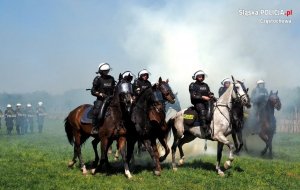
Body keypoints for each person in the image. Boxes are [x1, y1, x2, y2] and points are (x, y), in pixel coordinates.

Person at [91, 62, 116, 134]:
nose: (107, 72)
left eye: (107, 70)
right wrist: (99, 94)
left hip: (111, 99)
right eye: (105, 70)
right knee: (96, 111)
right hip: (101, 100)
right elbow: (93, 91)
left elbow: (114, 88)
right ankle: (95, 127)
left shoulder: (111, 78)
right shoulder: (97, 79)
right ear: (101, 71)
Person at [189, 70, 215, 136]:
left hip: (206, 101)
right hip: (198, 102)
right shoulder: (192, 85)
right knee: (202, 110)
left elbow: (208, 92)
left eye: (202, 76)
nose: (201, 77)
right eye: (199, 76)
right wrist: (203, 97)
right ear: (196, 77)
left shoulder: (205, 85)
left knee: (214, 108)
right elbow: (193, 96)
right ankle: (204, 128)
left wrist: (211, 95)